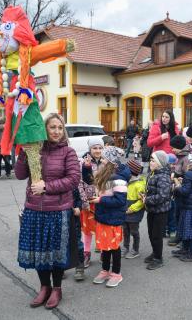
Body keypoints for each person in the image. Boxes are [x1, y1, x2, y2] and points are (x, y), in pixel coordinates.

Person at [16, 113, 81, 309]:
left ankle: (57, 288)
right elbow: (20, 175)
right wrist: (23, 153)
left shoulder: (68, 152)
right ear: (44, 129)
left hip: (58, 210)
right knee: (39, 251)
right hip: (34, 209)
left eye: (60, 128)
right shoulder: (36, 150)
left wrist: (47, 187)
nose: (56, 131)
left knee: (55, 253)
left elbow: (73, 179)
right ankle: (44, 287)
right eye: (52, 127)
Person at [90, 146, 130, 288]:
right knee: (104, 247)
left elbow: (120, 201)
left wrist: (100, 200)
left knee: (113, 247)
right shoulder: (107, 176)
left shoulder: (119, 180)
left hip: (113, 220)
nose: (102, 160)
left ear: (111, 161)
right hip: (104, 217)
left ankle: (116, 274)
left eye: (104, 158)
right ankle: (105, 270)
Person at [143, 150, 172, 270]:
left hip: (160, 211)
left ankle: (158, 258)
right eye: (150, 159)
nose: (151, 162)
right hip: (152, 210)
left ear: (160, 162)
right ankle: (155, 252)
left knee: (157, 235)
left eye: (153, 160)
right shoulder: (153, 173)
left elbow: (163, 196)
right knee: (151, 233)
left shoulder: (163, 177)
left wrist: (147, 200)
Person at [78, 137, 104, 268]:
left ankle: (103, 251)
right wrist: (84, 201)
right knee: (87, 230)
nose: (97, 150)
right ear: (90, 149)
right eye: (95, 148)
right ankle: (86, 253)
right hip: (88, 202)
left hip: (102, 202)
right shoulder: (83, 162)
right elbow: (79, 184)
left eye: (100, 148)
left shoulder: (106, 163)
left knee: (101, 228)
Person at [168, 135, 191, 246]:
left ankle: (183, 238)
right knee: (178, 214)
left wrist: (177, 178)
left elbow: (187, 175)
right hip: (178, 188)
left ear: (179, 147)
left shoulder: (185, 158)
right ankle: (179, 236)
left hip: (182, 190)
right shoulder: (181, 156)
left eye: (173, 147)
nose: (172, 150)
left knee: (181, 214)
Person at [122, 159, 146, 259]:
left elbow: (142, 201)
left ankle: (135, 250)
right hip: (125, 211)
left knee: (134, 231)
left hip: (134, 212)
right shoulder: (126, 182)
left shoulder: (139, 184)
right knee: (125, 230)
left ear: (131, 172)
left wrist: (132, 208)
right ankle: (125, 247)